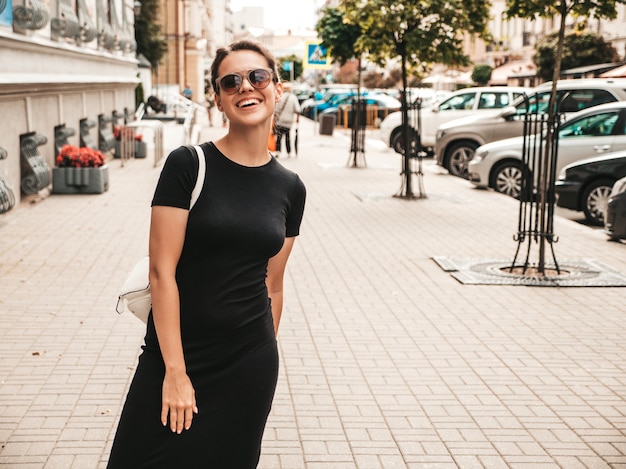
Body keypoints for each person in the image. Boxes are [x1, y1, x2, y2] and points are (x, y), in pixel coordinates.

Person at [107, 39, 306, 468]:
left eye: (257, 76)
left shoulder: (291, 187)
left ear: (277, 87)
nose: (245, 88)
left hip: (248, 363)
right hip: (176, 354)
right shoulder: (188, 164)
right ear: (217, 98)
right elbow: (162, 272)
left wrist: (260, 353)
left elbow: (272, 284)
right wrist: (175, 372)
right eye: (230, 81)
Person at [274, 82, 300, 157]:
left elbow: (275, 109)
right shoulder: (293, 97)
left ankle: (278, 151)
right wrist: (297, 119)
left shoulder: (279, 96)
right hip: (288, 122)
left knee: (279, 137)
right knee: (287, 137)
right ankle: (288, 152)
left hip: (279, 121)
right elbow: (298, 109)